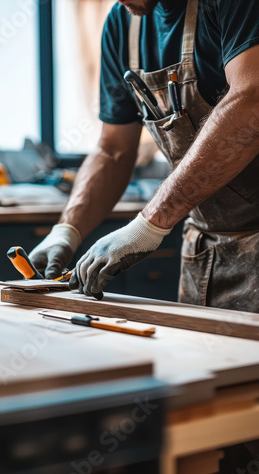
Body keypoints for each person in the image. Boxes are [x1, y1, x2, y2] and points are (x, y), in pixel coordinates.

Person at [30, 0, 259, 313]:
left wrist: (150, 223)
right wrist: (67, 230)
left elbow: (251, 103)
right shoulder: (121, 24)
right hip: (206, 253)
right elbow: (113, 149)